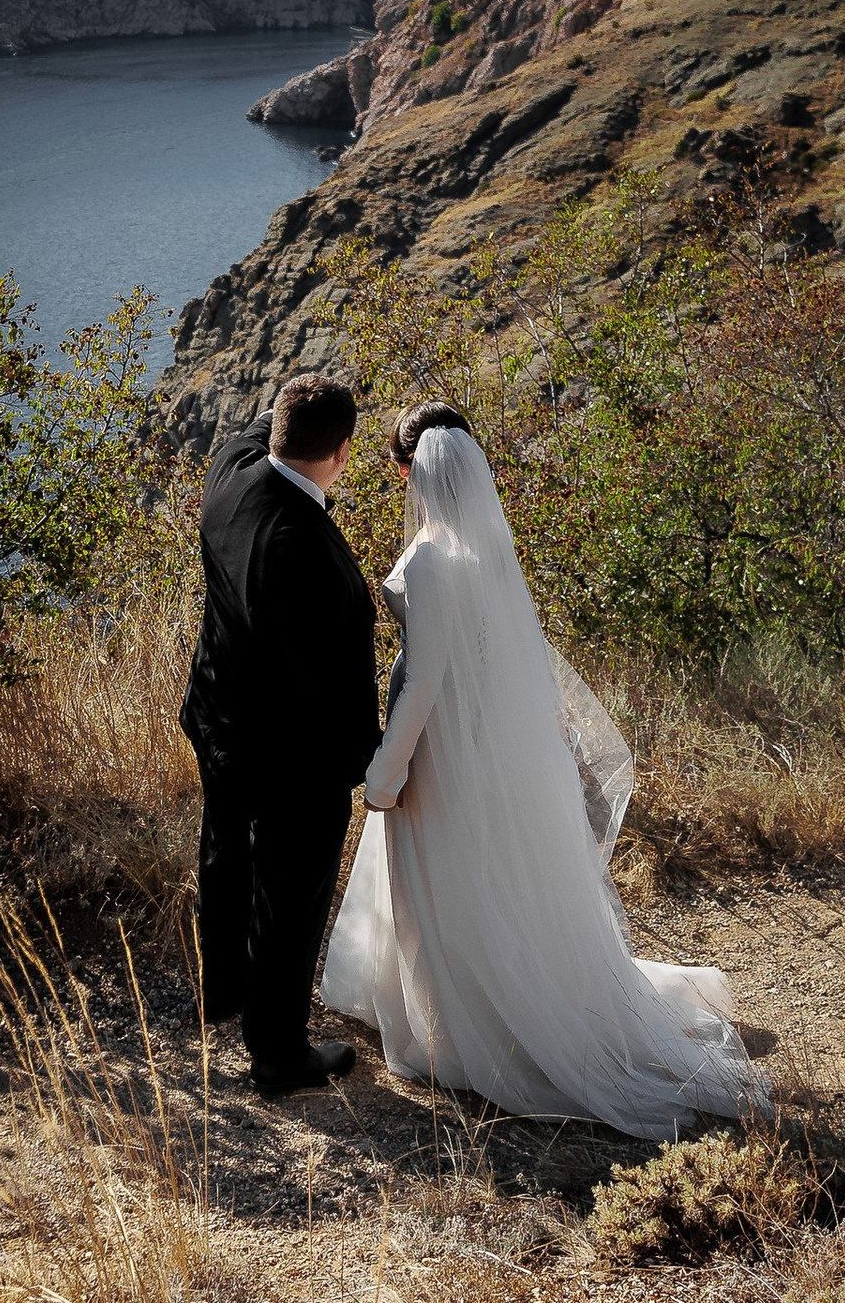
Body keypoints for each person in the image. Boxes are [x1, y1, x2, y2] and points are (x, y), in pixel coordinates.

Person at [321, 412, 762, 1138]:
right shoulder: (489, 547)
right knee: (490, 878)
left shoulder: (429, 559)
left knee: (443, 880)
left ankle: (460, 1032)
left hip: (438, 749)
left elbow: (425, 679)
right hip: (492, 741)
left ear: (407, 471)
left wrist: (384, 771)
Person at [179, 372, 380, 1097]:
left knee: (227, 855)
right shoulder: (312, 555)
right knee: (291, 896)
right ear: (344, 452)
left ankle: (224, 992)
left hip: (217, 719)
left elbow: (247, 430)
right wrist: (366, 761)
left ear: (274, 435)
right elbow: (332, 686)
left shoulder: (229, 479)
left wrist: (286, 409)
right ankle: (278, 1055)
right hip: (289, 756)